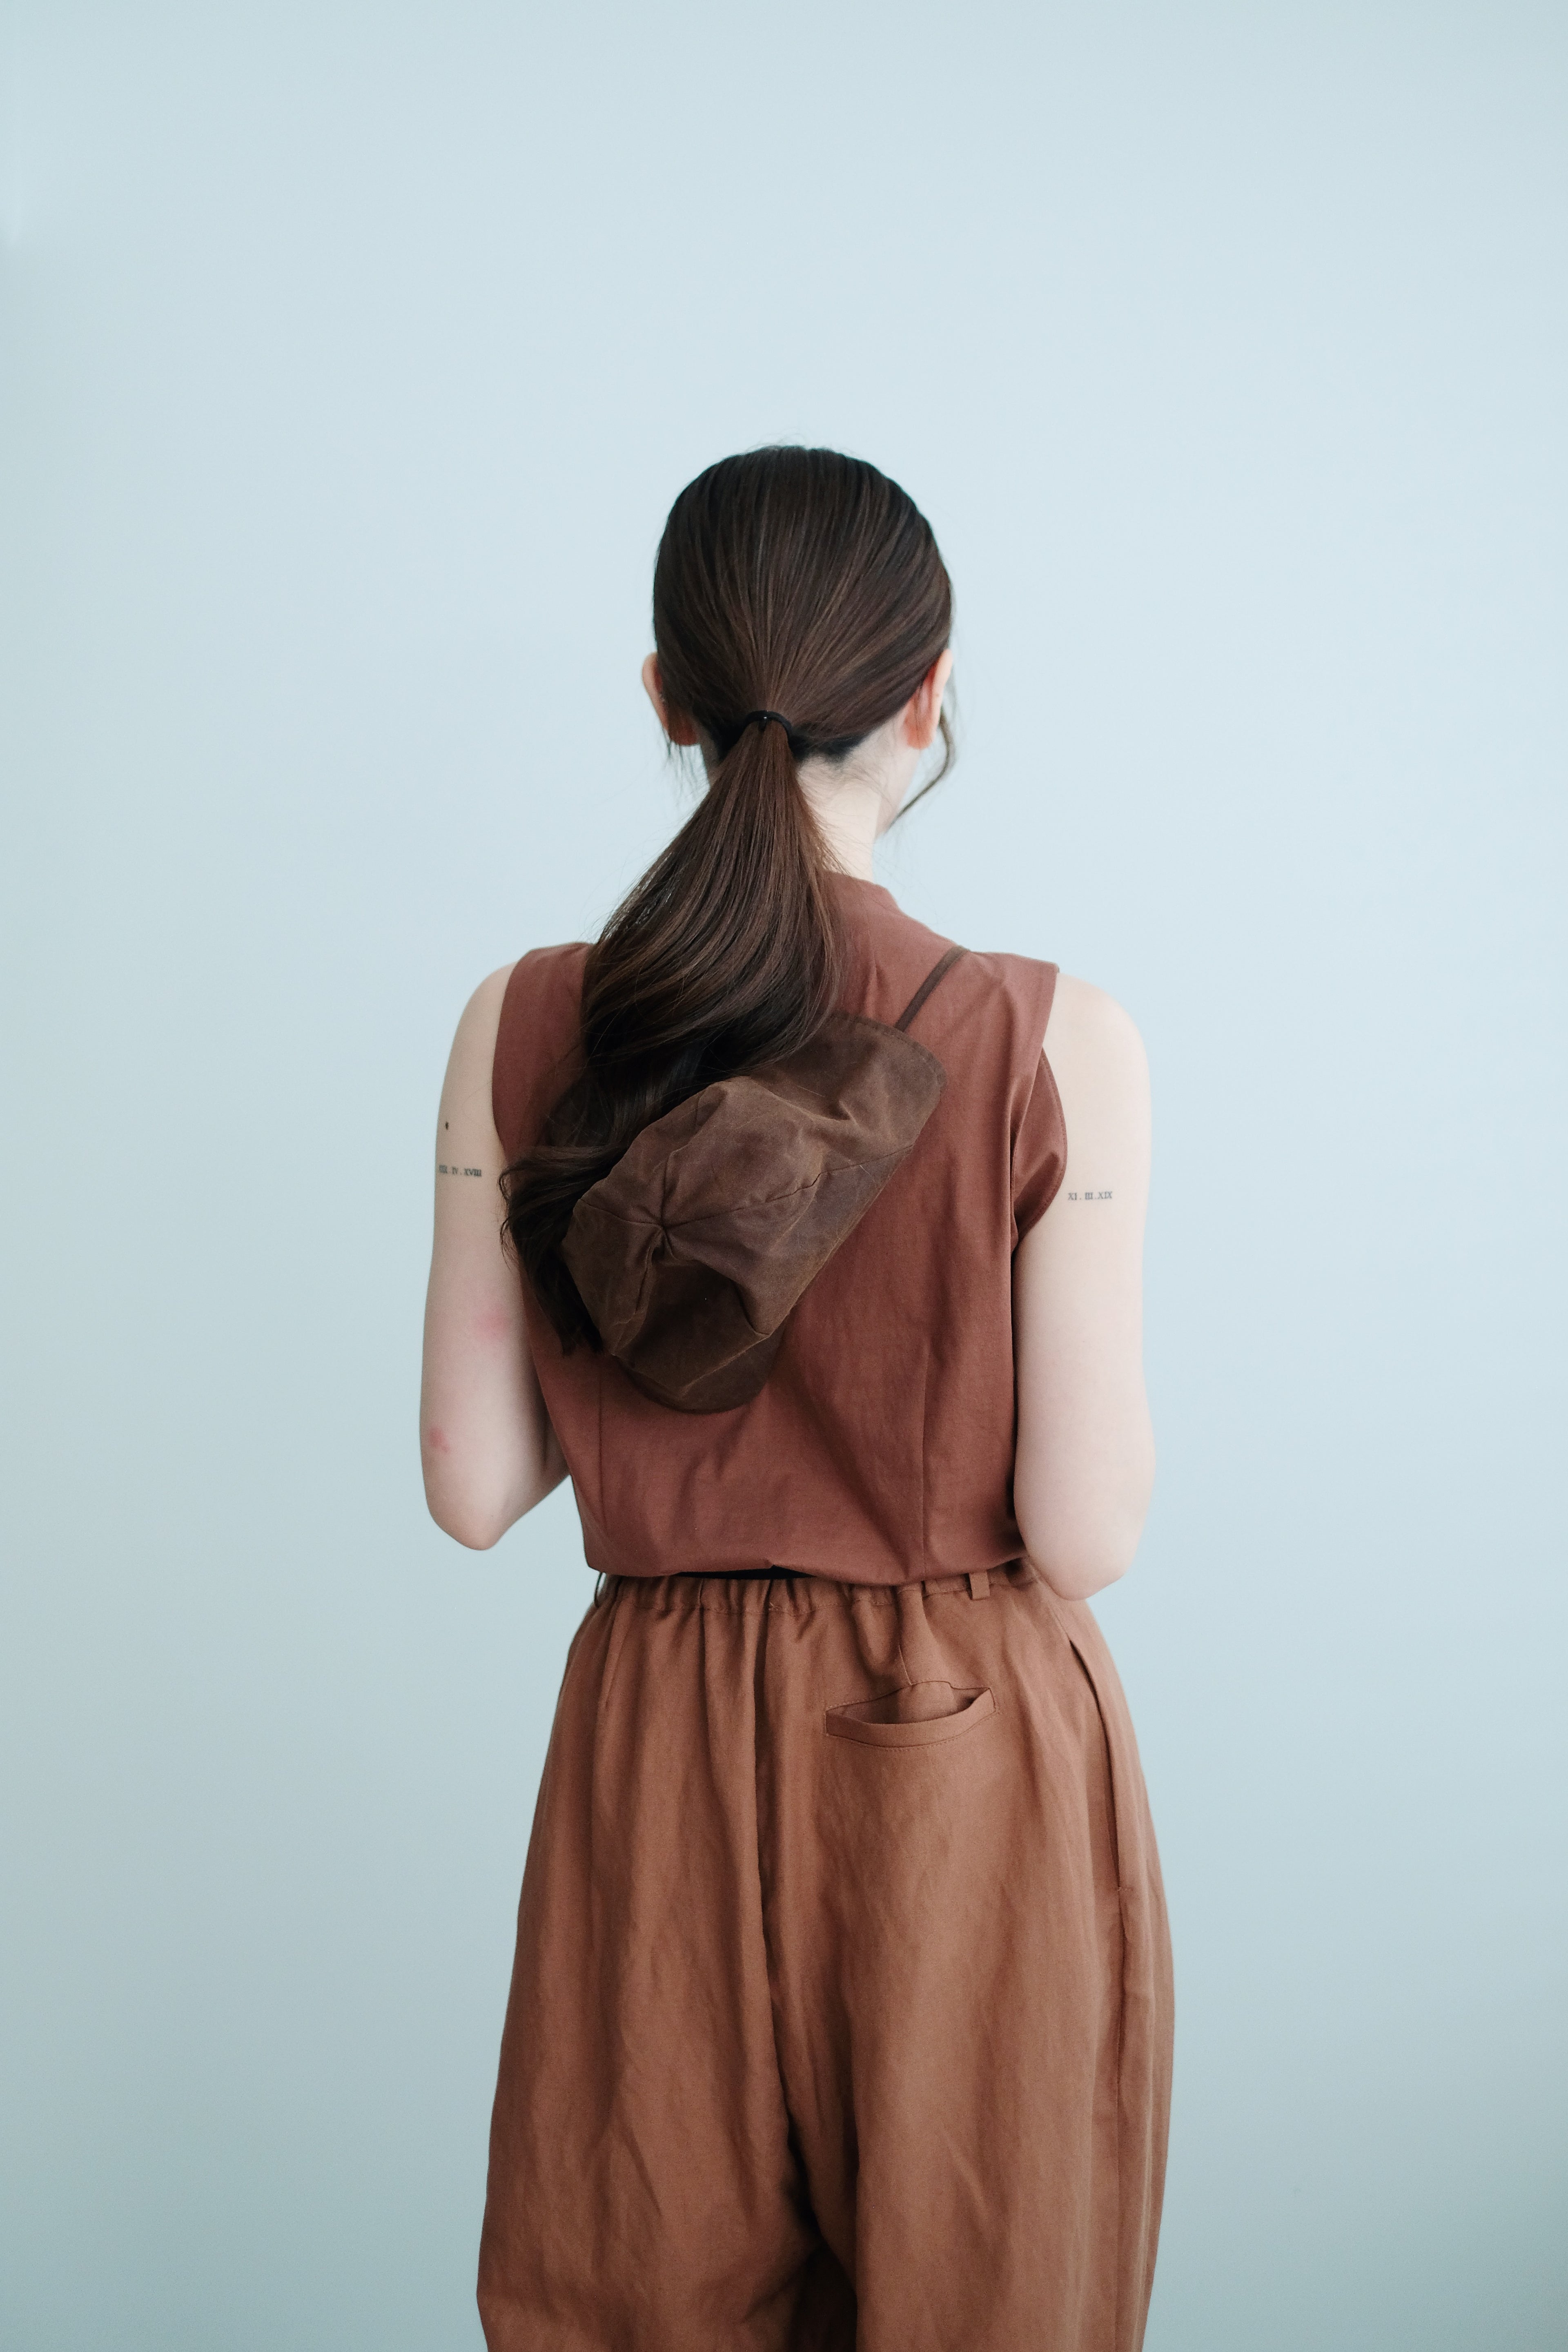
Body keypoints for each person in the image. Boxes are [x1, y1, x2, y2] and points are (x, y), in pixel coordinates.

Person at [419, 446, 1173, 2352]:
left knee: (632, 2294)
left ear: (665, 699)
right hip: (956, 1747)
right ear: (929, 696)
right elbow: (1085, 1530)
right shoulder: (1051, 1037)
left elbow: (475, 1482)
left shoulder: (521, 1022)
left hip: (657, 1734)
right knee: (982, 2295)